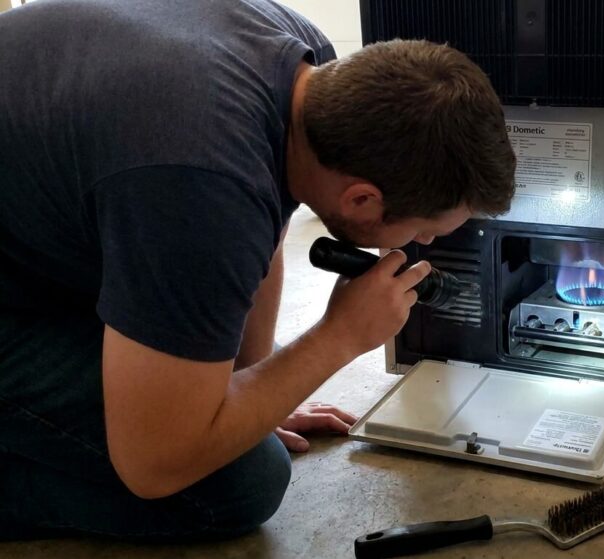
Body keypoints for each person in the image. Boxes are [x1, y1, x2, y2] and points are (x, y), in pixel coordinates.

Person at [0, 0, 515, 541]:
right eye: (423, 230)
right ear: (362, 199)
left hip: (42, 224)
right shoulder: (197, 183)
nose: (427, 243)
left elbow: (255, 221)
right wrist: (339, 337)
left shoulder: (308, 68)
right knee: (238, 483)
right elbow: (154, 465)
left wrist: (253, 393)